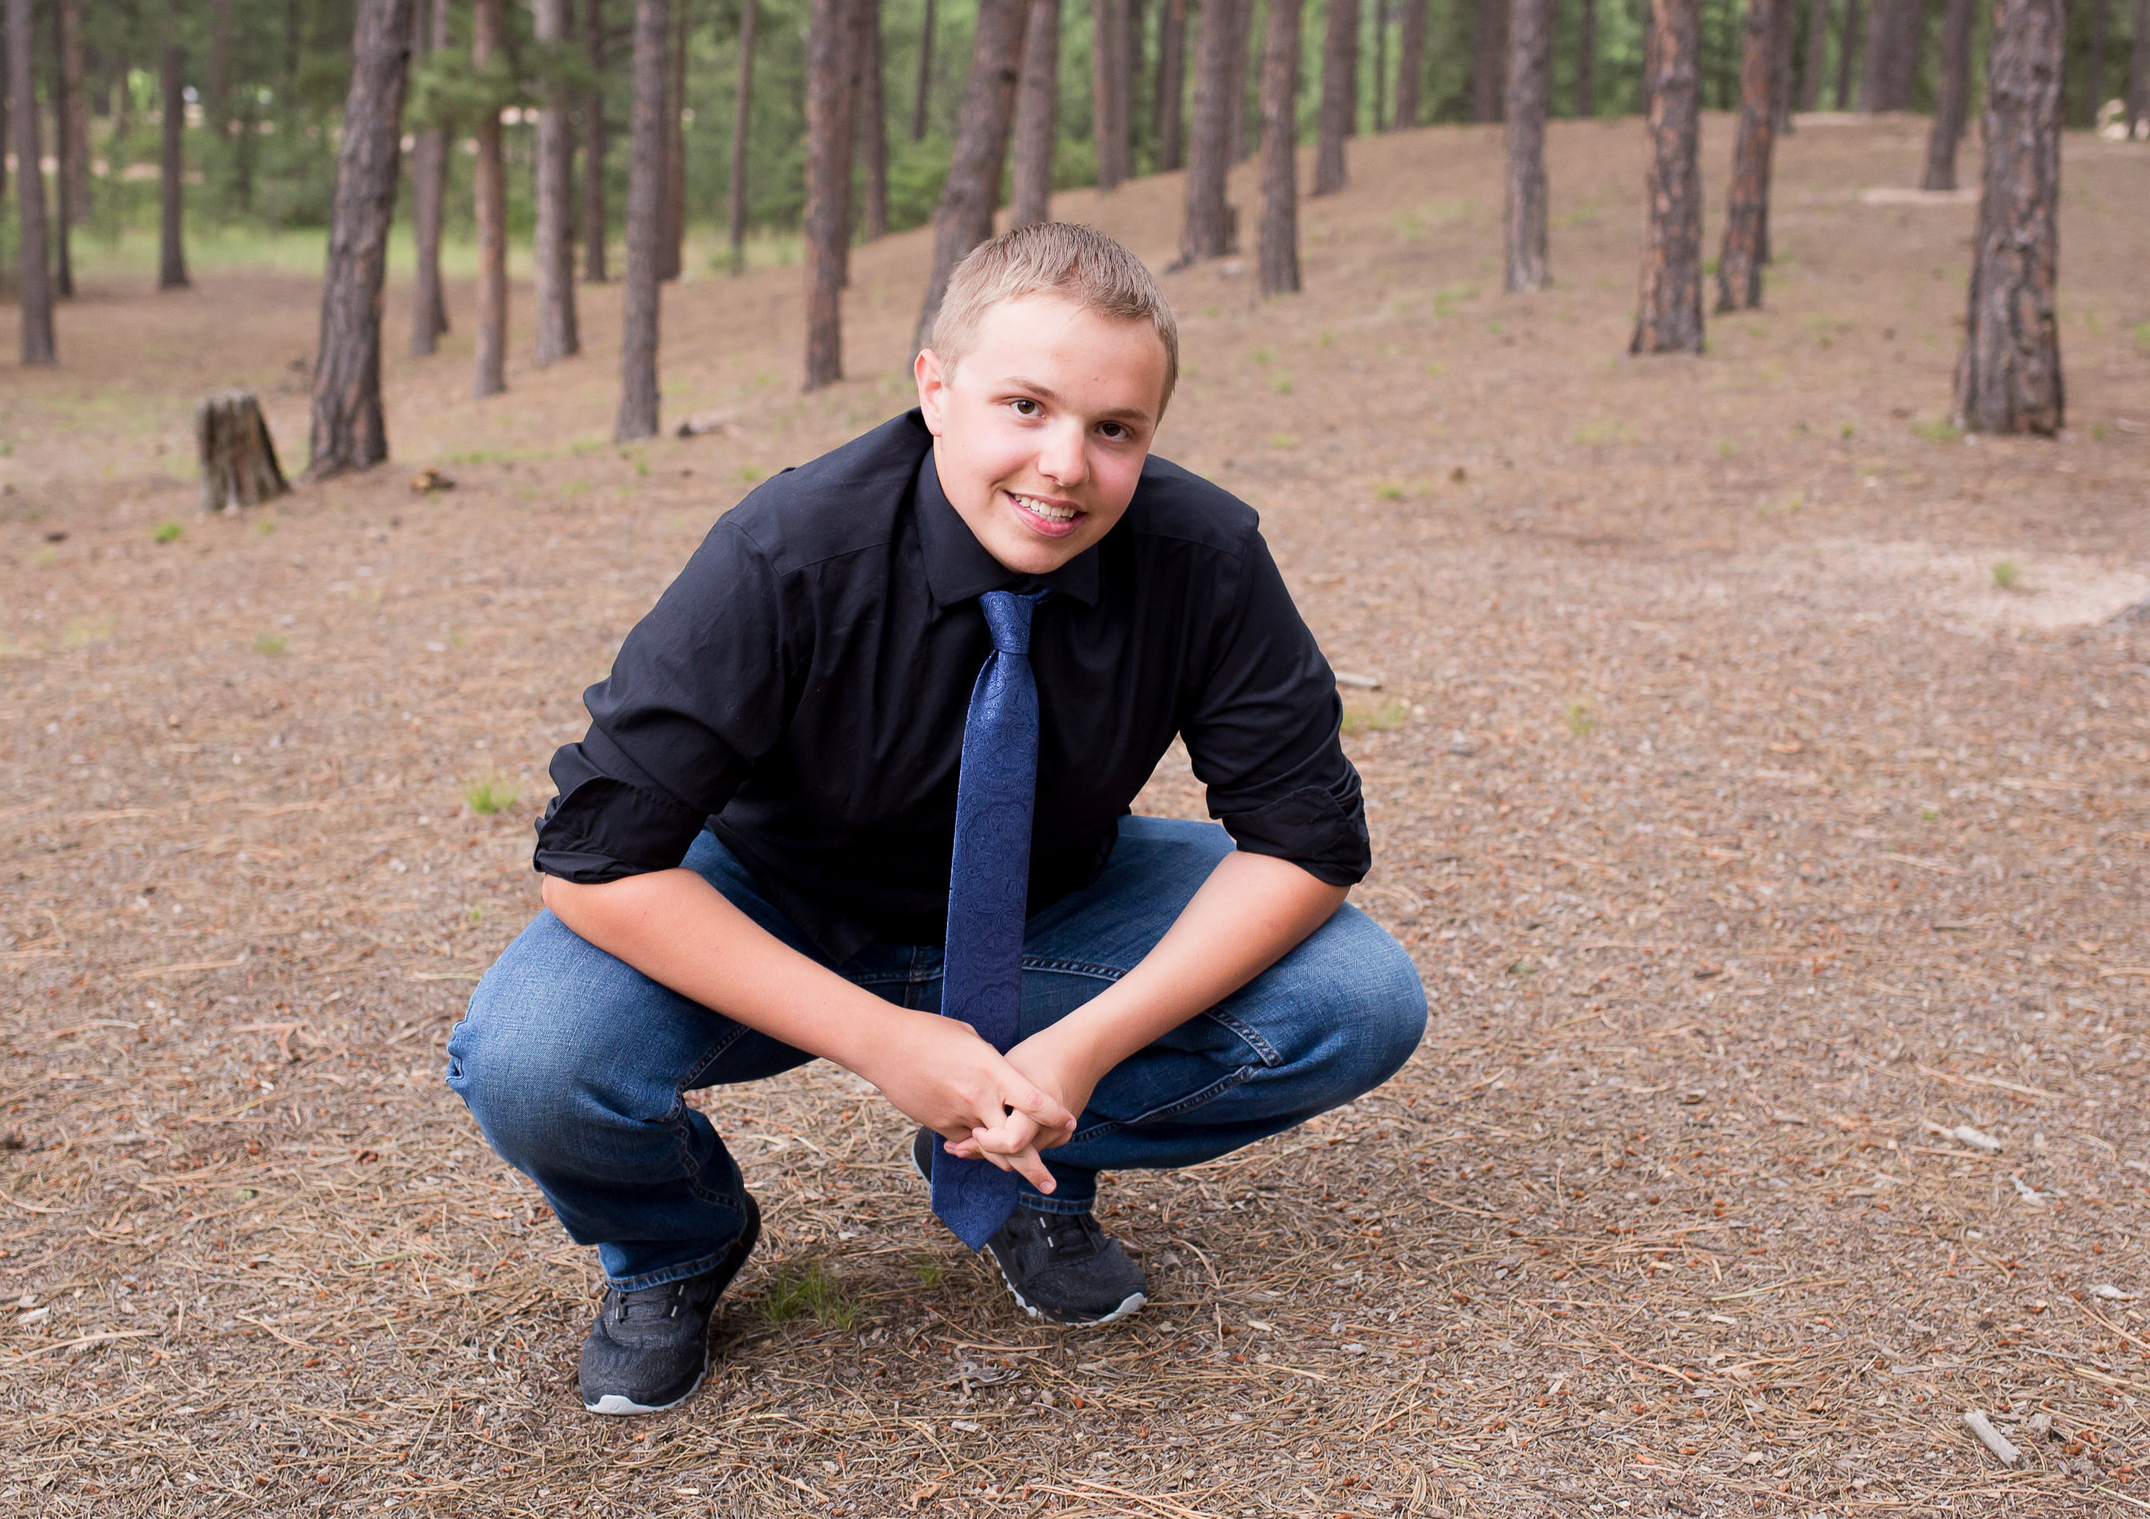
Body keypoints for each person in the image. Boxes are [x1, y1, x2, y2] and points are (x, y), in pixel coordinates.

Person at [447, 223, 1428, 1415]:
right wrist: (885, 1040)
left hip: (1054, 899)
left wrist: (1080, 1048)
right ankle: (672, 1244)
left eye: (1113, 428)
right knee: (533, 1056)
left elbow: (1304, 838)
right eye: (1025, 405)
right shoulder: (789, 549)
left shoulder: (1202, 552)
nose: (1064, 463)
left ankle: (1027, 1158)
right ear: (933, 389)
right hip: (776, 894)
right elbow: (594, 859)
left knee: (1354, 1000)